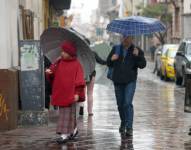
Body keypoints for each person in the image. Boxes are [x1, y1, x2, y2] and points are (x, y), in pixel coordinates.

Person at [46, 41, 85, 144]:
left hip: (70, 94)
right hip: (61, 92)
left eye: (64, 51)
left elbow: (80, 80)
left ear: (70, 53)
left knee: (66, 114)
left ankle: (64, 135)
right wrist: (49, 73)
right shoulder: (59, 62)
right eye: (62, 51)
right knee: (68, 114)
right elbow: (53, 74)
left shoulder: (76, 65)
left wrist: (77, 93)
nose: (62, 53)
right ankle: (74, 131)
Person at [107, 36, 146, 137]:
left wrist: (137, 56)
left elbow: (142, 65)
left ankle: (129, 127)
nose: (124, 39)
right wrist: (112, 59)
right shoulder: (116, 48)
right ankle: (123, 122)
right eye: (123, 37)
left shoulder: (136, 50)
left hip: (130, 81)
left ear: (132, 38)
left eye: (127, 37)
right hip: (118, 80)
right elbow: (108, 62)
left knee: (127, 103)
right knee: (120, 105)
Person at [79, 51, 107, 116]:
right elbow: (101, 61)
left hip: (81, 75)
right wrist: (108, 61)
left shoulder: (79, 53)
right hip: (91, 75)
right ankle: (90, 111)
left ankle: (81, 108)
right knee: (90, 93)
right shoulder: (93, 53)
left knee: (82, 93)